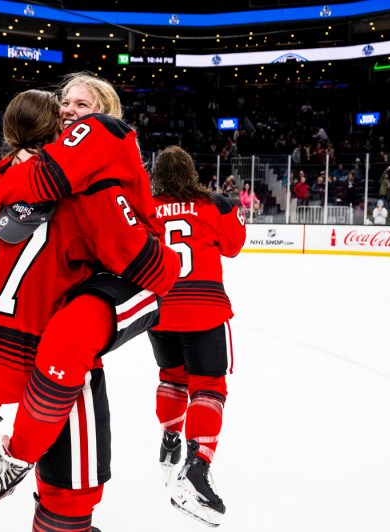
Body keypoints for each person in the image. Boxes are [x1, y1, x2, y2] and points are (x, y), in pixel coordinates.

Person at [0, 89, 179, 531]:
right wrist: (20, 165)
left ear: (101, 118)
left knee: (71, 341)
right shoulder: (46, 176)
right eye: (64, 103)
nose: (69, 111)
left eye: (82, 106)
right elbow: (12, 194)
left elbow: (148, 264)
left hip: (141, 283)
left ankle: (14, 462)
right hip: (53, 325)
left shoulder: (96, 179)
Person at [146, 146, 246, 527]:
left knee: (171, 377)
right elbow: (234, 247)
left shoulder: (146, 205)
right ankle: (198, 464)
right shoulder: (213, 204)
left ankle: (171, 440)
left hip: (160, 309)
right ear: (191, 172)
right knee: (208, 386)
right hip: (205, 307)